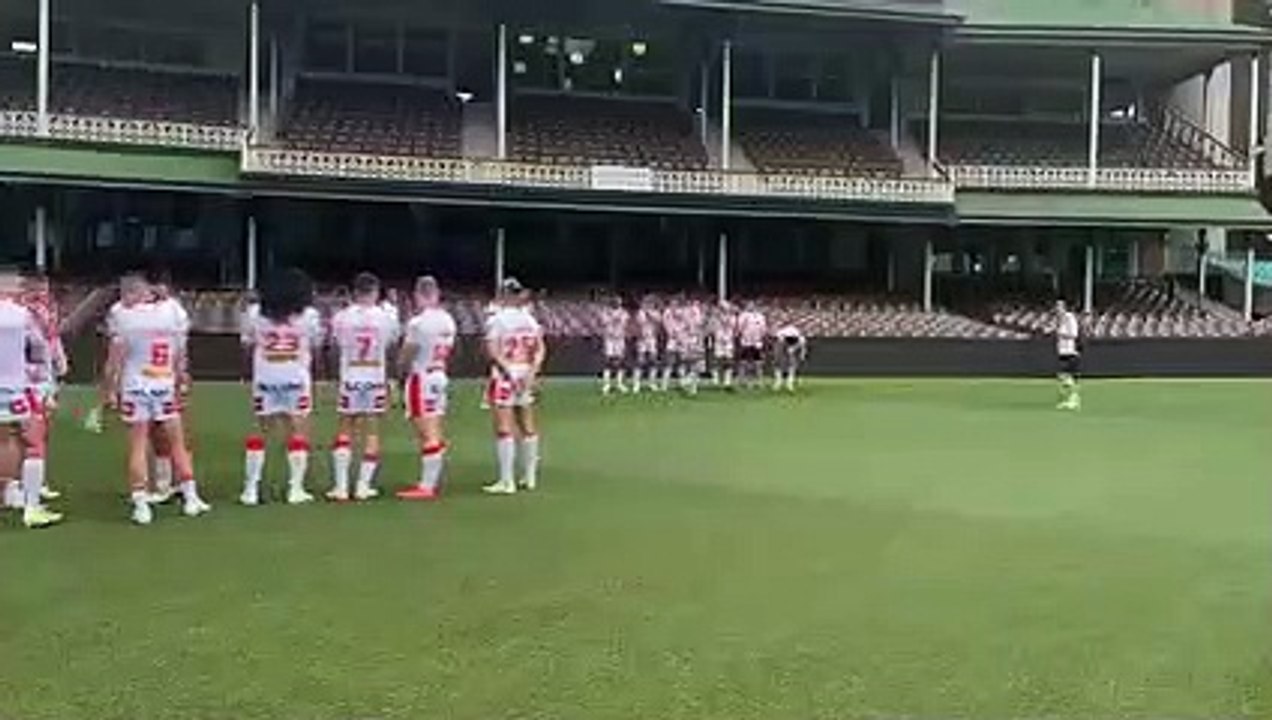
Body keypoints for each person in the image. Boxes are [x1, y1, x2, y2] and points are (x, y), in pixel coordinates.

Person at [102, 274, 209, 525]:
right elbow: (180, 353)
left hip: (135, 386)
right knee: (178, 443)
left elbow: (114, 360)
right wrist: (182, 379)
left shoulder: (123, 316)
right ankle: (191, 497)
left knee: (138, 446)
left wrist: (109, 390)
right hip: (163, 384)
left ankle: (141, 504)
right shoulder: (172, 312)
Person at [239, 268, 323, 506]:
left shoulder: (255, 313)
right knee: (298, 428)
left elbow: (246, 343)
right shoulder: (309, 316)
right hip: (295, 375)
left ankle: (250, 489)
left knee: (260, 430)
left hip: (266, 375)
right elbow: (316, 346)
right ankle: (295, 488)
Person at [327, 272, 399, 502]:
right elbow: (391, 343)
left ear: (354, 292)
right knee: (372, 431)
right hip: (375, 375)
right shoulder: (386, 317)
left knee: (345, 428)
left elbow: (336, 345)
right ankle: (363, 486)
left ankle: (340, 486)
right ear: (375, 292)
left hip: (351, 375)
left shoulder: (342, 317)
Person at [0, 269, 61, 528]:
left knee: (4, 440)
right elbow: (39, 346)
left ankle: (7, 492)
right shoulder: (21, 315)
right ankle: (32, 506)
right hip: (16, 385)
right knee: (34, 441)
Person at [396, 276, 457, 501]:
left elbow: (407, 354)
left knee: (426, 430)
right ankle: (431, 479)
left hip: (421, 376)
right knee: (435, 426)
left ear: (418, 295)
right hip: (440, 374)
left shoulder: (418, 323)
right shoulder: (448, 320)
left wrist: (399, 372)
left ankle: (427, 485)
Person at [483, 278, 546, 495]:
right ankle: (529, 477)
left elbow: (492, 350)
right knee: (527, 425)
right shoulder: (530, 320)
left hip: (505, 374)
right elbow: (540, 349)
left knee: (504, 427)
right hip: (525, 370)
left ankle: (506, 480)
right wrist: (532, 372)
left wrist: (508, 371)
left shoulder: (496, 320)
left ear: (503, 294)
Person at [143, 271, 191, 504]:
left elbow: (181, 346)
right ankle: (164, 483)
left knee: (173, 431)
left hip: (166, 377)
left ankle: (183, 483)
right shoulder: (138, 311)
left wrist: (181, 375)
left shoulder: (174, 311)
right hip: (143, 378)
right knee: (154, 431)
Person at [599, 295, 629, 396]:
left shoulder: (624, 312)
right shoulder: (605, 312)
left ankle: (619, 384)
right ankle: (606, 385)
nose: (617, 303)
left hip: (619, 339)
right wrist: (612, 318)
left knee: (620, 361)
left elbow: (623, 322)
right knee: (608, 361)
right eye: (615, 301)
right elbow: (604, 322)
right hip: (609, 339)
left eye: (619, 302)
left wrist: (615, 318)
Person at [1055, 299, 1081, 411]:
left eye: (1059, 306)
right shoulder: (1059, 320)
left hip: (1071, 351)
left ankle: (1074, 400)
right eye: (1056, 306)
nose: (1057, 308)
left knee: (1066, 377)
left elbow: (1074, 334)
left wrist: (1061, 334)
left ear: (1064, 307)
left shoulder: (1069, 317)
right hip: (1062, 352)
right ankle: (1070, 400)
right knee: (1064, 378)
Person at [631, 296, 661, 394]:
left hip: (652, 339)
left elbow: (657, 323)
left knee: (653, 361)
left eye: (651, 302)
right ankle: (636, 384)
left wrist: (649, 314)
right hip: (642, 340)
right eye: (647, 302)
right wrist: (639, 336)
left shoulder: (656, 312)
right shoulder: (640, 312)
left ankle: (652, 383)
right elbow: (638, 325)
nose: (649, 304)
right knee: (640, 361)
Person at [736, 301, 768, 389]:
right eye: (749, 305)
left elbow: (763, 329)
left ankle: (759, 381)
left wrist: (761, 339)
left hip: (757, 343)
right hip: (746, 342)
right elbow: (739, 328)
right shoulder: (743, 315)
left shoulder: (761, 317)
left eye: (753, 305)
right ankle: (743, 381)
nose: (751, 307)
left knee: (758, 363)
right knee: (744, 363)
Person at [679, 296, 706, 395]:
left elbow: (701, 326)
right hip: (692, 341)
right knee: (698, 365)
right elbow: (697, 326)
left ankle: (693, 388)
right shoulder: (691, 312)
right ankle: (686, 381)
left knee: (695, 365)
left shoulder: (691, 312)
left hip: (693, 340)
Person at [772, 324, 808, 393]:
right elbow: (777, 349)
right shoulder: (780, 337)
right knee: (778, 365)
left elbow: (802, 346)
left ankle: (789, 383)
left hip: (790, 349)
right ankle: (778, 382)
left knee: (792, 365)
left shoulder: (800, 338)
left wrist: (800, 353)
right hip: (781, 351)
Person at [710, 300, 737, 389]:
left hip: (728, 340)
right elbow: (712, 328)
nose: (724, 310)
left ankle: (727, 382)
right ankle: (715, 380)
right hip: (719, 340)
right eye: (722, 308)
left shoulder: (732, 317)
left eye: (725, 308)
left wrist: (727, 317)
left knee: (729, 361)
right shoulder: (715, 318)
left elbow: (732, 326)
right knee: (717, 360)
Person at [659, 295, 683, 392]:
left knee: (681, 363)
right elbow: (665, 324)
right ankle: (664, 384)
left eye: (676, 303)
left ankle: (682, 383)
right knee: (669, 362)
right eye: (672, 303)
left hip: (682, 340)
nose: (674, 305)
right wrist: (672, 333)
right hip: (672, 340)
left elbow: (685, 323)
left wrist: (681, 335)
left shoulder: (681, 312)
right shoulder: (667, 312)